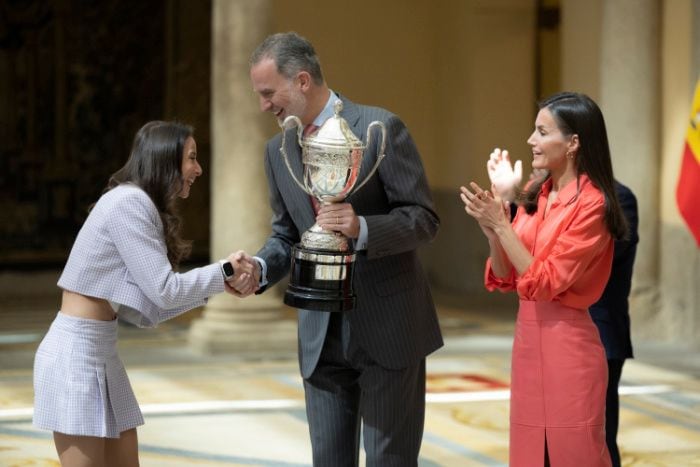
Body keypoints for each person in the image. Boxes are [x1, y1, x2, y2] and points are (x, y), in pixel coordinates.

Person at [240, 32, 443, 466]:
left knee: (391, 460)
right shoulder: (277, 151)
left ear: (302, 81)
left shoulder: (379, 128)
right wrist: (259, 267)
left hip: (388, 327)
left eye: (267, 93)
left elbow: (424, 219)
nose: (263, 106)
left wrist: (363, 227)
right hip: (319, 334)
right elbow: (286, 233)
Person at [33, 121, 257, 466]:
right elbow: (165, 292)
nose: (198, 169)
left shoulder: (135, 203)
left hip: (99, 352)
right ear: (165, 161)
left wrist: (219, 283)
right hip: (75, 356)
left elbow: (149, 309)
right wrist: (223, 271)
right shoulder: (129, 204)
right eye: (191, 158)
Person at [460, 92, 628, 466]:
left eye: (541, 132)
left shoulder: (593, 203)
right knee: (530, 457)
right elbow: (505, 277)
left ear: (573, 143)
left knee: (575, 455)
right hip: (528, 347)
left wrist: (502, 222)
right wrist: (494, 227)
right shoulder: (538, 194)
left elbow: (546, 281)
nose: (530, 141)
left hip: (570, 349)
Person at [589, 181, 638, 467]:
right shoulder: (546, 195)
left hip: (600, 335)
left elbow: (590, 264)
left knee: (598, 442)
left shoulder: (618, 198)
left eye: (543, 133)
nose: (533, 143)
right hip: (547, 337)